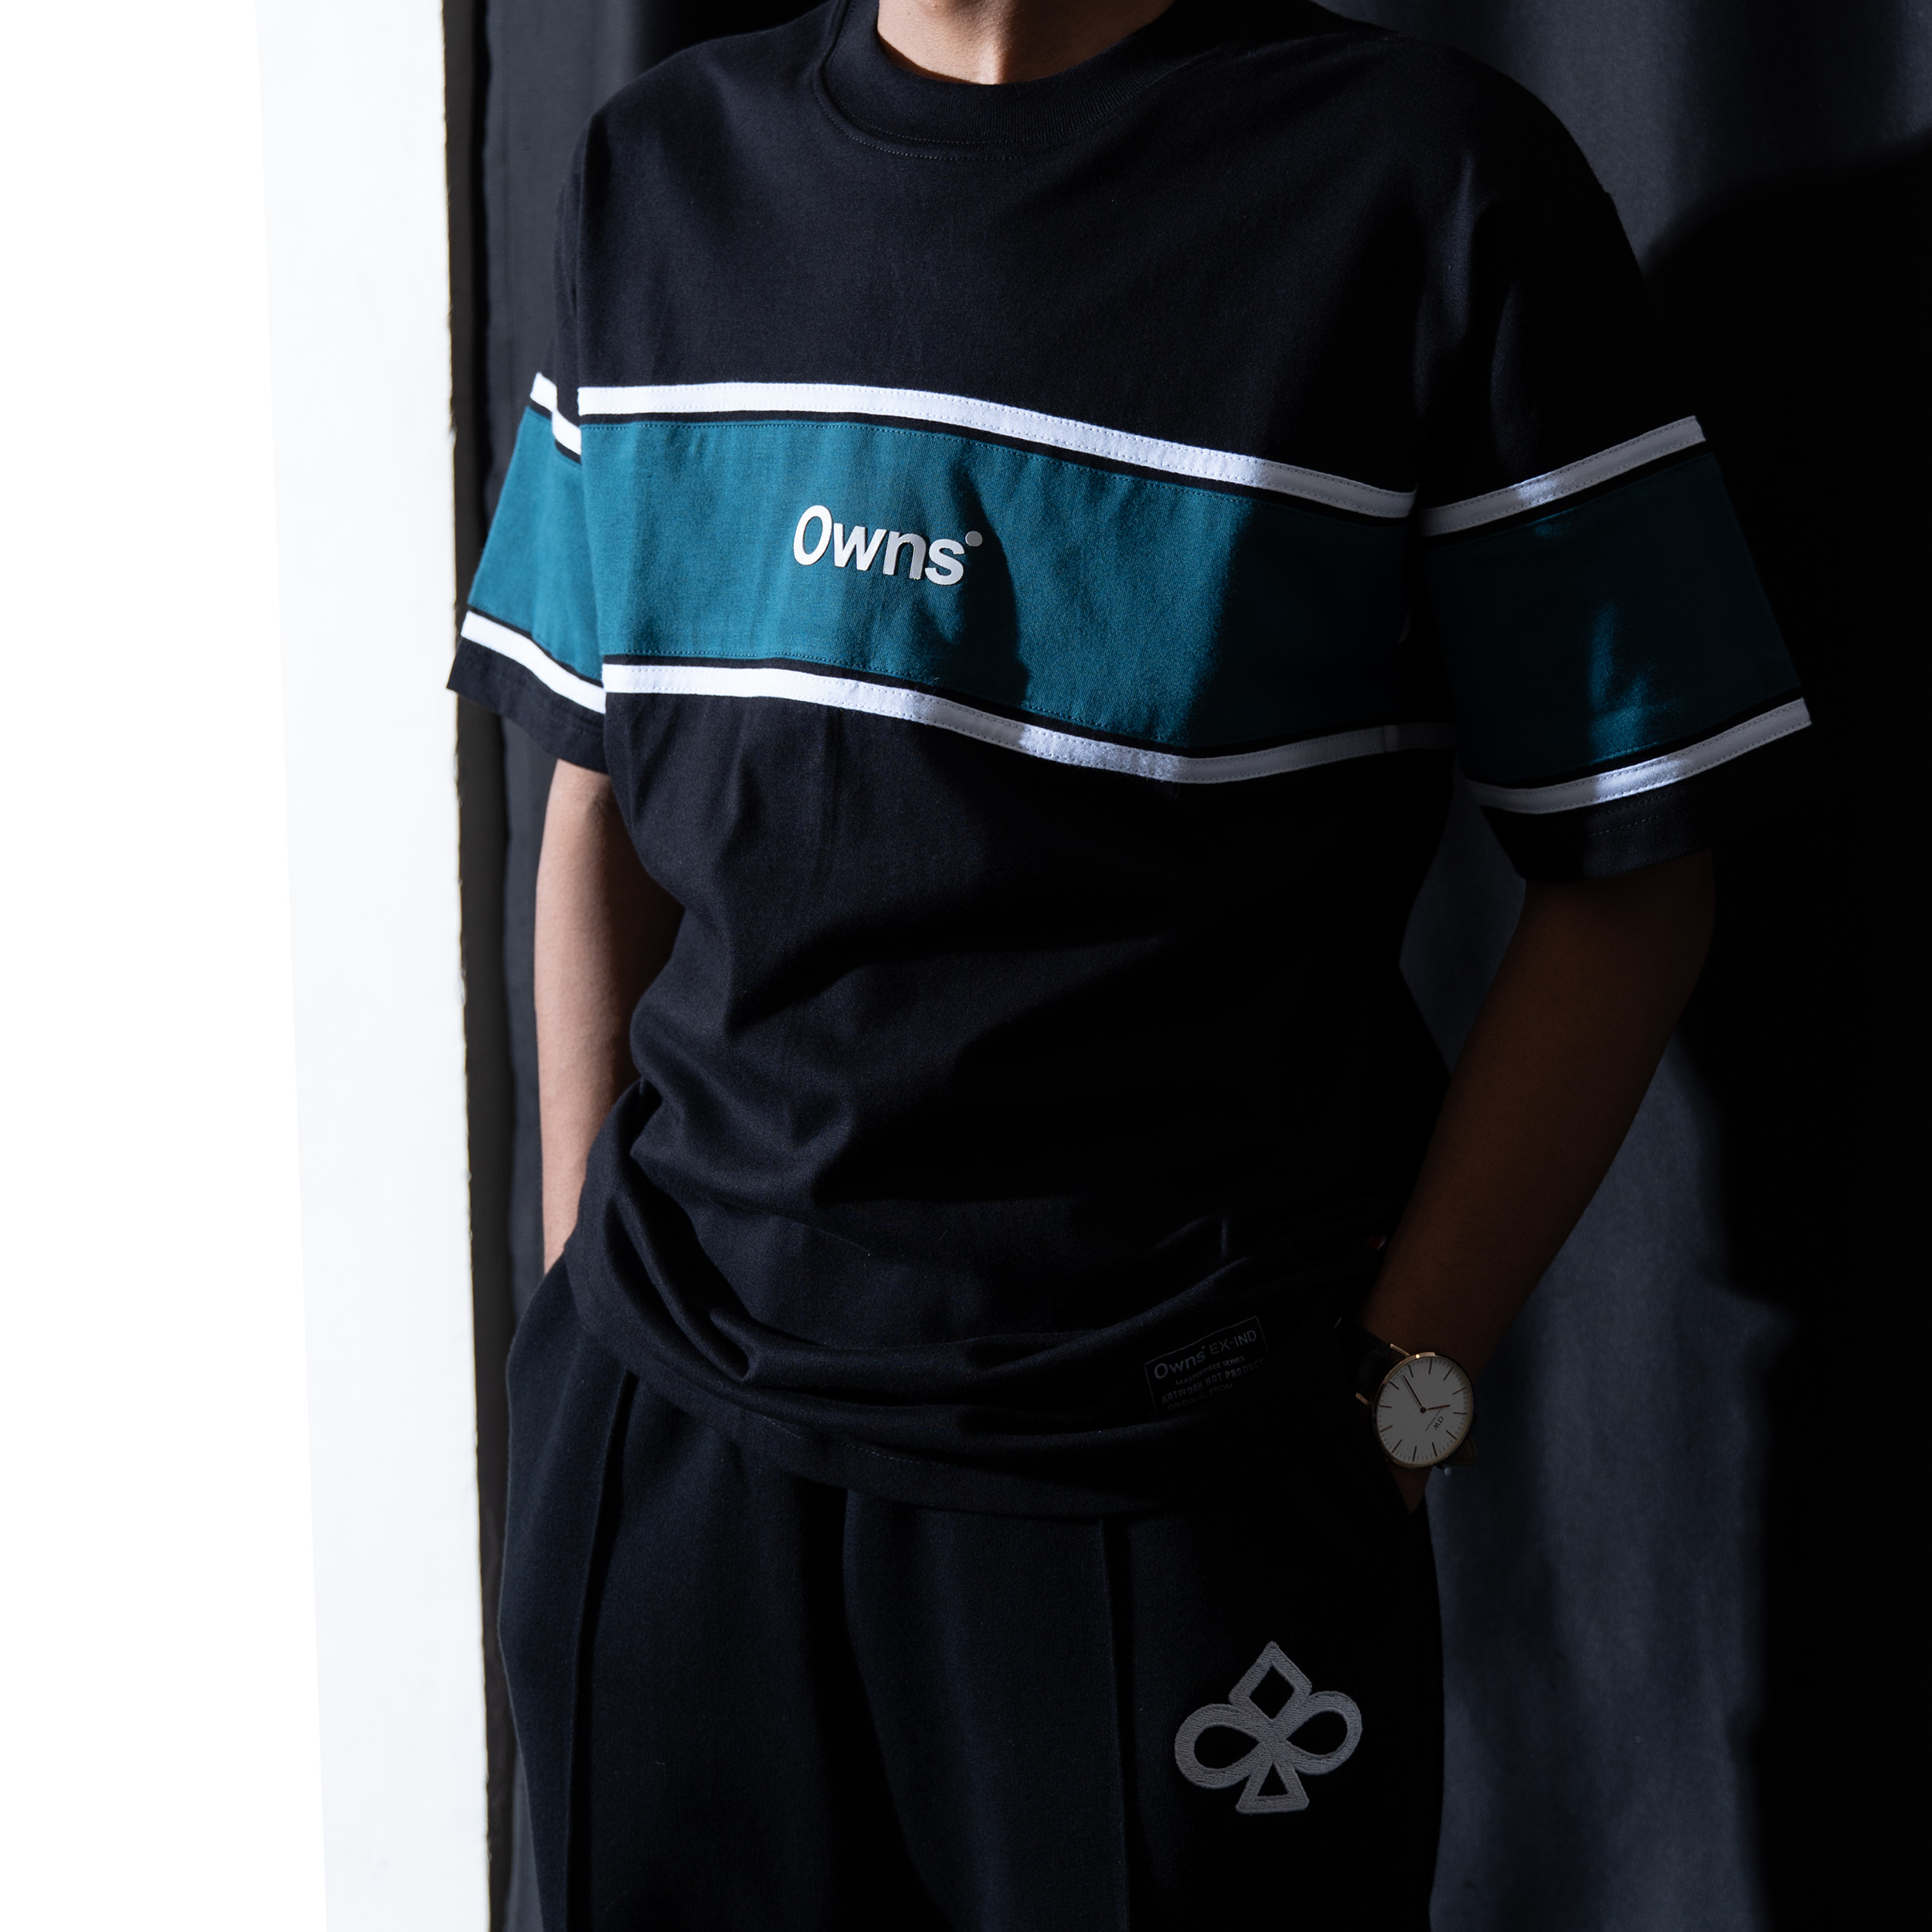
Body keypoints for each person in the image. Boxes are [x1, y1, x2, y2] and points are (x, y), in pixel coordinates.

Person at [448, 0, 1808, 1923]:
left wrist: (1398, 1409)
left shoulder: (1427, 190)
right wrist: (579, 1303)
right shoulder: (658, 168)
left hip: (1173, 1481)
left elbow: (1636, 869)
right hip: (670, 1463)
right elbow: (595, 784)